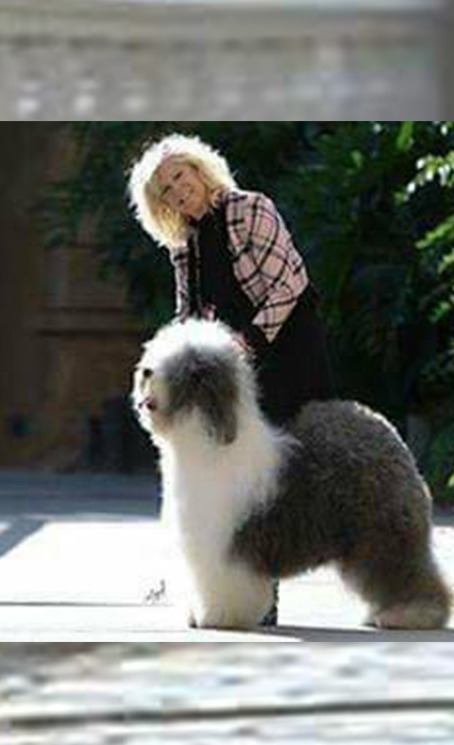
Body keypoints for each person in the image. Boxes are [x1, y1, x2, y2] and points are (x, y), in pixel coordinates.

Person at [128, 133, 337, 626]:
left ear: (201, 170)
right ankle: (231, 589)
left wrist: (246, 346)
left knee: (275, 477)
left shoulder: (249, 208)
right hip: (233, 372)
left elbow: (289, 284)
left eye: (180, 176)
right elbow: (188, 314)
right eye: (165, 190)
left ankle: (266, 593)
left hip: (284, 352)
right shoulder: (185, 240)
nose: (177, 191)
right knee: (230, 481)